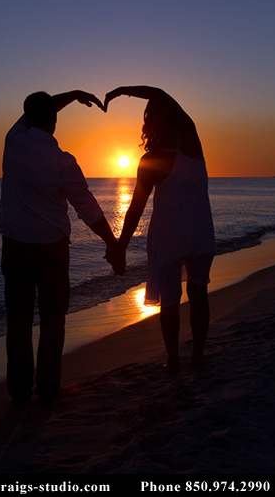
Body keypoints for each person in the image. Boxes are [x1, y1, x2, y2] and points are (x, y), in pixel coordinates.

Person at [0, 90, 122, 402]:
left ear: (27, 115)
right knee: (53, 318)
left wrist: (73, 95)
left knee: (18, 319)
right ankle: (48, 387)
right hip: (52, 250)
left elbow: (42, 108)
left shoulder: (13, 141)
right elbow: (89, 210)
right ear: (54, 120)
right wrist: (113, 245)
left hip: (15, 245)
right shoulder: (63, 163)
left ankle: (19, 390)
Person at [104, 86, 216, 372]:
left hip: (169, 233)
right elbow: (161, 93)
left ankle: (174, 360)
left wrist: (120, 247)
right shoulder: (193, 141)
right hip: (200, 227)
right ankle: (199, 354)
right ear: (175, 114)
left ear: (150, 121)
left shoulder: (150, 160)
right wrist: (124, 91)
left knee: (169, 300)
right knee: (199, 291)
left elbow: (136, 209)